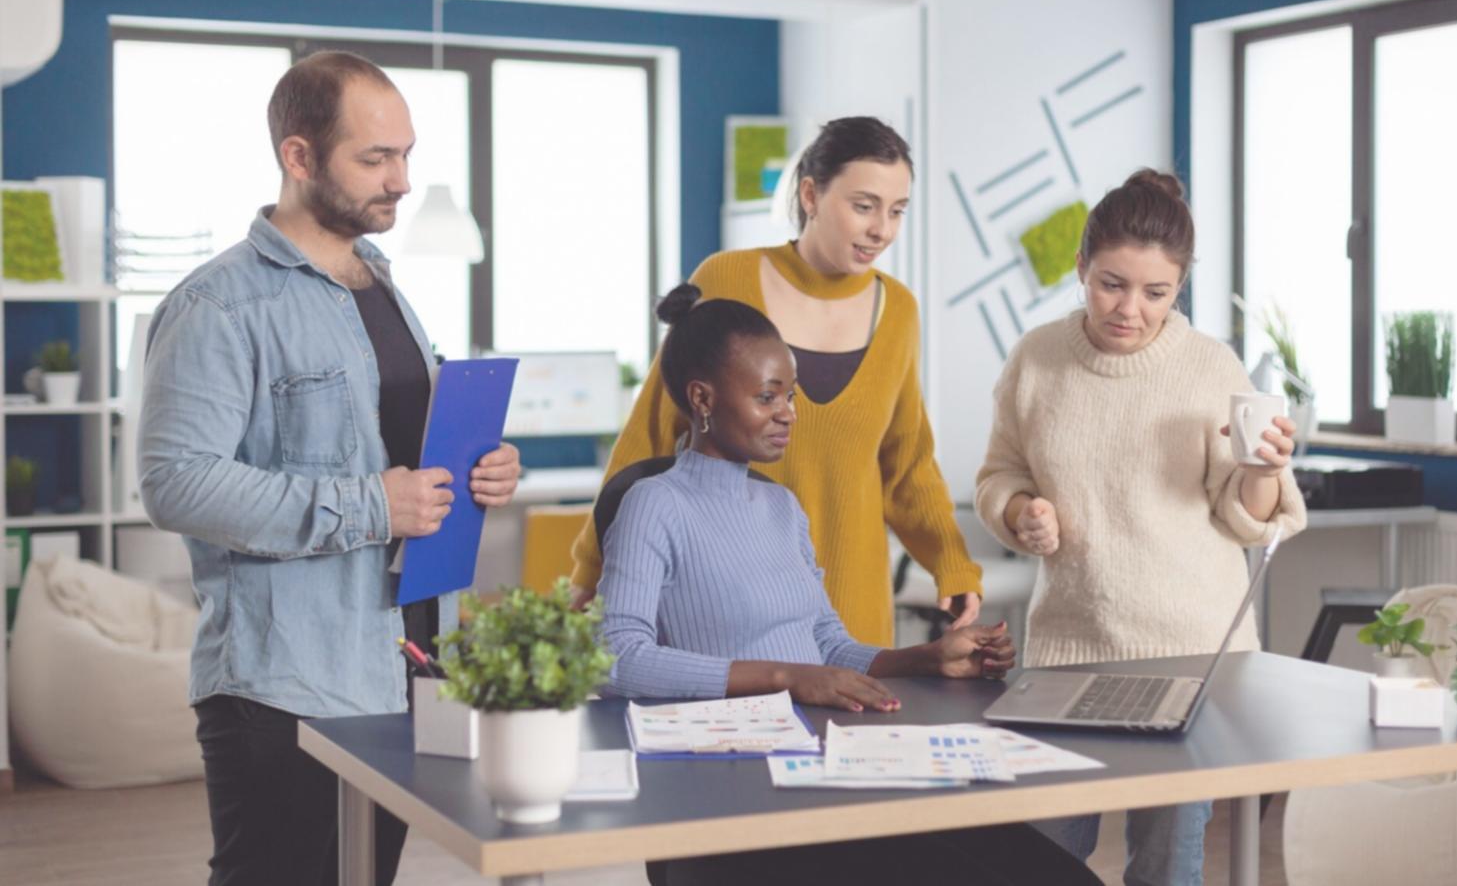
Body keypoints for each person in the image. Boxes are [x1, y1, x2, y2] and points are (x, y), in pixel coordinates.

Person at [138, 51, 521, 886]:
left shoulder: (382, 286)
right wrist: (373, 506)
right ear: (299, 155)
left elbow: (390, 448)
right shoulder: (217, 305)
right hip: (288, 684)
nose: (401, 181)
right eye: (375, 158)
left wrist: (481, 465)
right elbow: (175, 481)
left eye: (406, 155)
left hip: (402, 665)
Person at [598, 284, 1100, 886]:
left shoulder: (781, 507)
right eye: (767, 396)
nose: (788, 412)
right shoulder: (654, 505)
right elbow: (616, 657)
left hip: (831, 767)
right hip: (741, 796)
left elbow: (829, 645)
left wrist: (928, 658)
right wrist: (785, 677)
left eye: (790, 395)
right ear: (703, 398)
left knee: (1052, 872)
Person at [973, 169, 1308, 886]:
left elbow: (1244, 516)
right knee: (1036, 861)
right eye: (1111, 285)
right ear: (1080, 268)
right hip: (1068, 651)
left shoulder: (1209, 366)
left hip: (1192, 657)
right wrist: (1020, 509)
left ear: (1179, 286)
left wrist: (1264, 468)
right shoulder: (1036, 359)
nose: (1130, 309)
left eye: (1156, 293)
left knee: (1164, 868)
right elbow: (998, 474)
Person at [575, 116, 982, 646]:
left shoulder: (899, 310)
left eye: (897, 210)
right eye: (864, 206)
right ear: (811, 195)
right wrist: (591, 570)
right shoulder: (726, 279)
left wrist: (952, 565)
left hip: (854, 611)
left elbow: (907, 465)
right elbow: (647, 438)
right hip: (726, 612)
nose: (882, 229)